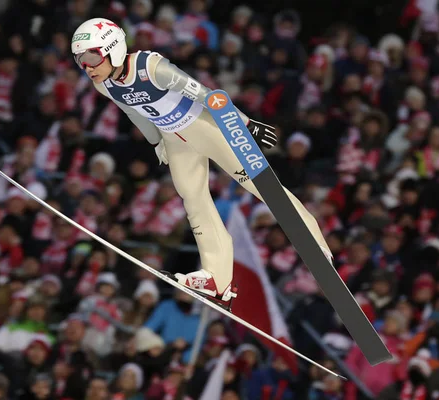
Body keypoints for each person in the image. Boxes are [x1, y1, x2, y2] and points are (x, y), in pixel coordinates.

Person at [70, 17, 333, 307]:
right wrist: (157, 142)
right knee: (193, 200)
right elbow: (134, 113)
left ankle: (313, 242)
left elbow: (206, 95)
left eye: (91, 57)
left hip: (205, 126)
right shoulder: (104, 86)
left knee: (260, 184)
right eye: (79, 60)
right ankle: (218, 279)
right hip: (174, 139)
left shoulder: (151, 68)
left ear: (113, 48)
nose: (86, 66)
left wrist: (245, 124)